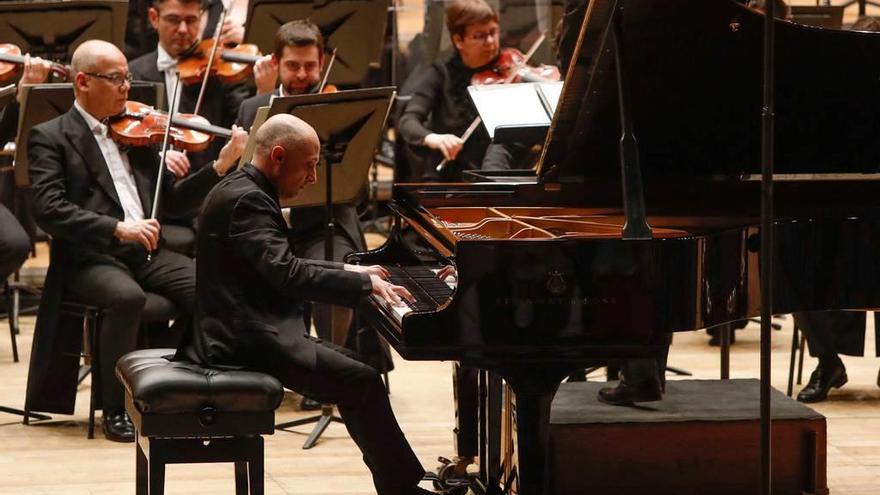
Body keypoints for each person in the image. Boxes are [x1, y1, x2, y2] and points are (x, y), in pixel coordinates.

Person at [177, 113, 435, 495]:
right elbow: (288, 275)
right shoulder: (248, 200)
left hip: (251, 327)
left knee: (360, 376)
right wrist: (357, 283)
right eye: (309, 165)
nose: (313, 178)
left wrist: (356, 273)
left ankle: (401, 485)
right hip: (243, 342)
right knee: (362, 382)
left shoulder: (245, 187)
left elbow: (281, 265)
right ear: (278, 156)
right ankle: (404, 489)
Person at [25, 39, 248, 442]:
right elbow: (48, 209)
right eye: (115, 79)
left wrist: (220, 165)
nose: (127, 87)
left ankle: (175, 386)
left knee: (211, 290)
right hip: (90, 255)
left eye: (127, 77)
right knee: (127, 298)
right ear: (82, 81)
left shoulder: (135, 131)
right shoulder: (50, 136)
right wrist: (116, 228)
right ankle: (117, 408)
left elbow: (174, 203)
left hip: (145, 252)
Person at [235, 20, 387, 406]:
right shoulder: (253, 107)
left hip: (322, 223)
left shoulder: (343, 110)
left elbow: (360, 189)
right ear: (276, 64)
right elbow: (240, 180)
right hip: (269, 227)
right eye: (293, 66)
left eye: (310, 65)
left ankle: (327, 371)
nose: (302, 75)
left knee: (334, 271)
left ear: (323, 62)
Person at [128, 0, 252, 254]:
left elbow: (243, 120)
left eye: (192, 20)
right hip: (155, 198)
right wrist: (158, 155)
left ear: (203, 19)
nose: (184, 29)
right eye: (174, 20)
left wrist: (264, 86)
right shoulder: (133, 74)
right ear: (154, 18)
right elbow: (123, 139)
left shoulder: (218, 72)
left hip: (209, 189)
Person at [396, 0, 527, 181]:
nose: (490, 42)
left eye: (493, 32)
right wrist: (434, 138)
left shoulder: (513, 69)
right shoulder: (441, 73)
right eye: (479, 36)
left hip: (499, 171)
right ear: (458, 40)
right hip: (450, 173)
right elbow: (408, 121)